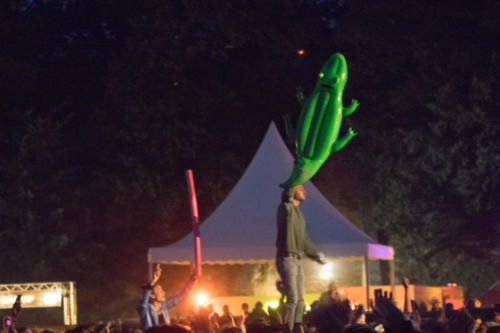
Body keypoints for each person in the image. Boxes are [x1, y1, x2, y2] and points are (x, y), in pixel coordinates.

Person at [275, 184, 326, 333]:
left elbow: (304, 240)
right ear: (291, 192)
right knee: (293, 298)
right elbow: (287, 205)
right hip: (286, 258)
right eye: (300, 188)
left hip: (297, 260)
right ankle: (287, 329)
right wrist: (290, 189)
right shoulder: (285, 208)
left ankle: (297, 327)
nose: (304, 191)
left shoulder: (300, 215)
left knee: (301, 301)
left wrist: (316, 256)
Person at [138, 264, 197, 331]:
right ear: (152, 295)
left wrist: (192, 280)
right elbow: (143, 303)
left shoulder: (163, 306)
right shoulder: (145, 309)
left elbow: (180, 297)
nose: (164, 292)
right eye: (160, 291)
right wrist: (153, 281)